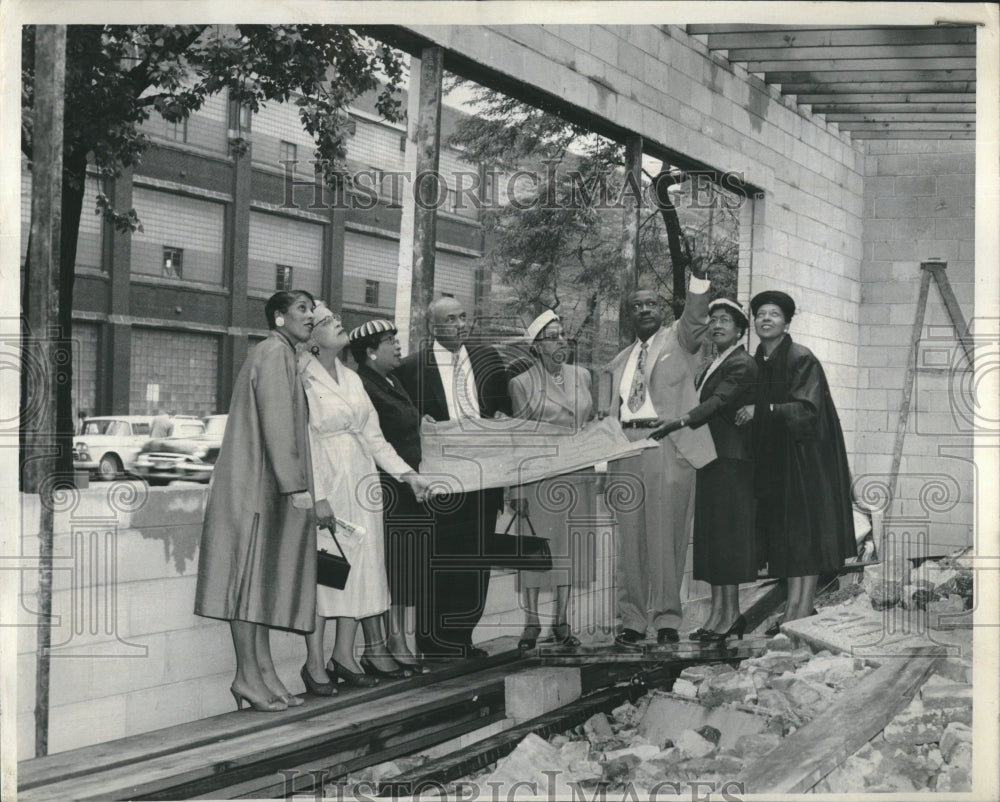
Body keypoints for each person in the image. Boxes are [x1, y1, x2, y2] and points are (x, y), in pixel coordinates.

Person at [194, 290, 331, 712]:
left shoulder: (280, 352)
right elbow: (276, 423)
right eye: (302, 310)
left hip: (263, 485)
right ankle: (246, 677)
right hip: (258, 488)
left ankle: (262, 674)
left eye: (312, 310)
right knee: (247, 587)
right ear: (278, 318)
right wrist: (296, 487)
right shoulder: (273, 353)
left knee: (258, 586)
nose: (311, 317)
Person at [298, 304, 432, 694]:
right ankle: (313, 663)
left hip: (362, 483)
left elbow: (375, 438)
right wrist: (318, 497)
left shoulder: (352, 379)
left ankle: (344, 655)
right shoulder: (301, 376)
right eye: (326, 322)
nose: (338, 324)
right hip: (328, 483)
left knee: (359, 572)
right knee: (327, 574)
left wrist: (408, 476)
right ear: (311, 337)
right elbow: (304, 441)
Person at [395, 296, 511, 659]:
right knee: (440, 561)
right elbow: (402, 426)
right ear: (433, 327)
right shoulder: (411, 369)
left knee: (476, 561)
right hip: (441, 484)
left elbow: (504, 409)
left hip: (483, 479)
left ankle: (463, 638)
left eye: (464, 318)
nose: (461, 325)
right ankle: (433, 643)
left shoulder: (487, 360)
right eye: (451, 319)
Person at [606, 271, 716, 647]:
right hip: (626, 447)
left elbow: (696, 319)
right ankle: (632, 620)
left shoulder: (679, 341)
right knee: (630, 541)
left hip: (666, 443)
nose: (644, 310)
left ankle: (668, 618)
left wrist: (698, 281)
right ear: (630, 315)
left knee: (667, 536)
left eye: (650, 303)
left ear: (662, 309)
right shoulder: (621, 360)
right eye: (636, 306)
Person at [735, 290, 855, 627]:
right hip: (772, 463)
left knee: (803, 538)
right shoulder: (756, 361)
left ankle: (800, 611)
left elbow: (807, 410)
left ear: (787, 322)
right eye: (760, 314)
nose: (766, 319)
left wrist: (763, 410)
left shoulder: (802, 358)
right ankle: (792, 610)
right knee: (783, 538)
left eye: (774, 313)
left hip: (803, 461)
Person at [653, 299, 759, 642]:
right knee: (715, 542)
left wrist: (682, 420)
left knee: (726, 540)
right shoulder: (717, 361)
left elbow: (719, 402)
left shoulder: (742, 362)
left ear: (741, 329)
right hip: (712, 461)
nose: (716, 326)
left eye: (725, 320)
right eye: (712, 320)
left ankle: (730, 617)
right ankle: (719, 615)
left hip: (731, 462)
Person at [507, 310, 596, 650]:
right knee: (535, 550)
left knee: (570, 549)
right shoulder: (521, 383)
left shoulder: (583, 376)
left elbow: (588, 423)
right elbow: (517, 439)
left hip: (578, 474)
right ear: (537, 347)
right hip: (539, 477)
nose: (561, 342)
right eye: (552, 337)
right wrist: (516, 487)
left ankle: (561, 620)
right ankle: (531, 621)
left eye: (562, 335)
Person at [351, 318, 432, 674]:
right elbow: (376, 442)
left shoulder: (391, 380)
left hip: (406, 486)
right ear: (370, 353)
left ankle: (398, 637)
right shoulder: (365, 385)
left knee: (405, 566)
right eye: (389, 341)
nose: (397, 346)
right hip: (385, 489)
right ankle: (387, 641)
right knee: (391, 566)